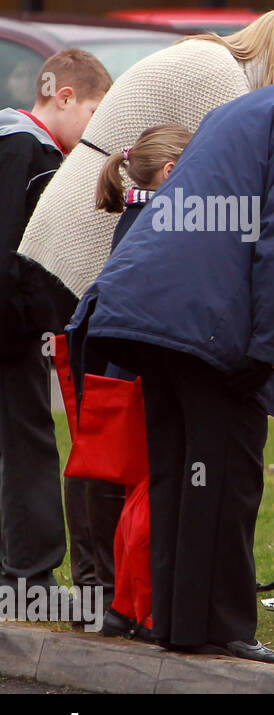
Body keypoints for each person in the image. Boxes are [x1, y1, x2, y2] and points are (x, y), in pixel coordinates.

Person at [67, 18, 274, 664]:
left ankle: (177, 621)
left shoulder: (257, 105)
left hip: (149, 309)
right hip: (210, 325)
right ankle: (222, 624)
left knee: (179, 471)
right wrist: (269, 348)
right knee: (227, 472)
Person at [20, 3, 274, 609]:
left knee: (111, 417)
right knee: (104, 421)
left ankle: (119, 581)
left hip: (103, 238)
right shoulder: (218, 72)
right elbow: (248, 161)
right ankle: (100, 587)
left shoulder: (213, 61)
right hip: (89, 243)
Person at [0, 48, 111, 592]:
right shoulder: (30, 150)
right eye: (94, 113)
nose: (95, 129)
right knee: (28, 442)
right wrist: (32, 322)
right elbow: (19, 253)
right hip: (11, 329)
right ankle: (29, 572)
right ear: (64, 96)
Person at [88, 123, 192, 639]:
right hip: (146, 378)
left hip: (123, 375)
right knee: (152, 492)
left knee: (133, 491)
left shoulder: (133, 213)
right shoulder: (162, 221)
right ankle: (140, 607)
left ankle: (122, 604)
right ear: (173, 172)